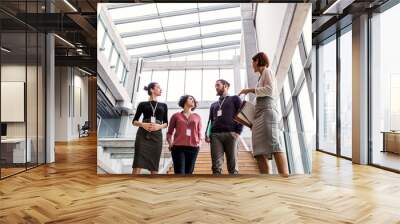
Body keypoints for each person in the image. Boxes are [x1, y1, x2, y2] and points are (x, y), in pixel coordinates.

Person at [238, 52, 289, 177]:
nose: (252, 65)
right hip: (259, 115)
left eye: (252, 62)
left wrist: (249, 90)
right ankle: (266, 179)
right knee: (258, 151)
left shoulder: (267, 71)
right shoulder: (260, 77)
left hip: (267, 112)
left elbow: (269, 90)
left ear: (257, 61)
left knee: (274, 144)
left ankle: (285, 179)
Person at [205, 79, 243, 175]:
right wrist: (207, 133)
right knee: (216, 167)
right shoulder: (213, 105)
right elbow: (210, 120)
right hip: (215, 136)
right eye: (215, 86)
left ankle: (234, 189)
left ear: (225, 86)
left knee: (233, 166)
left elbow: (241, 115)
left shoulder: (235, 98)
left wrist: (238, 132)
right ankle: (217, 189)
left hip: (231, 134)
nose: (216, 87)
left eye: (218, 85)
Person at [131, 82, 168, 175]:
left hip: (157, 135)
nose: (161, 89)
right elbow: (134, 121)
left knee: (154, 165)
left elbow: (166, 123)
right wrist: (143, 124)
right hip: (143, 134)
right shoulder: (142, 104)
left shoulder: (163, 105)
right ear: (152, 89)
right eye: (158, 87)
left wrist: (159, 126)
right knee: (137, 163)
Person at [167, 95, 202, 174]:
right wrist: (170, 143)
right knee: (179, 172)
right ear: (184, 101)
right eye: (190, 98)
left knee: (189, 173)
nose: (193, 100)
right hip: (178, 148)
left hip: (193, 148)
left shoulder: (197, 117)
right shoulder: (176, 116)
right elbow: (169, 132)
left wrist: (199, 143)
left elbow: (199, 132)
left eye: (193, 99)